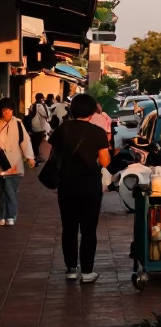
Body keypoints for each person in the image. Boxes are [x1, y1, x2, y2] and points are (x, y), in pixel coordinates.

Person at [50, 93, 111, 283]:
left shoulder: (63, 129)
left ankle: (70, 268)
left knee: (69, 228)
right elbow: (105, 161)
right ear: (91, 112)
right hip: (90, 185)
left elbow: (54, 155)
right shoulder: (98, 132)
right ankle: (86, 272)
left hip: (66, 184)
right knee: (88, 230)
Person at [0, 99, 36, 227]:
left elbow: (25, 141)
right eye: (3, 110)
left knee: (10, 190)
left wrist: (30, 158)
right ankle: (2, 215)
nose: (6, 113)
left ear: (12, 111)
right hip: (1, 163)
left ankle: (11, 215)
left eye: (8, 110)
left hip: (14, 163)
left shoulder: (18, 123)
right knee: (1, 191)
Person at [28, 93, 51, 162]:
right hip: (39, 126)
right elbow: (46, 115)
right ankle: (37, 156)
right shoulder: (39, 106)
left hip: (33, 125)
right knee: (37, 142)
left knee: (35, 142)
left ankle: (35, 156)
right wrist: (44, 105)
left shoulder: (33, 105)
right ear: (41, 98)